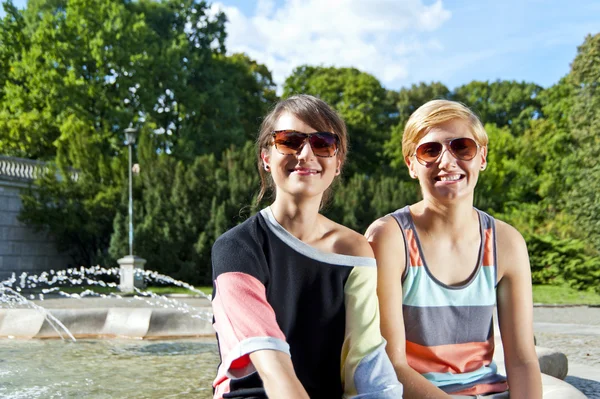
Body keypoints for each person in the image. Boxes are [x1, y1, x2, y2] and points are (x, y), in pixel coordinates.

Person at [211, 94, 403, 399]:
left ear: (337, 163)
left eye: (323, 143)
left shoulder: (355, 250)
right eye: (289, 140)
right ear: (266, 156)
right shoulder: (236, 248)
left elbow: (366, 362)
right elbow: (274, 370)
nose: (305, 153)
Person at [366, 99, 543, 398]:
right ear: (411, 165)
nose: (447, 161)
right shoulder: (388, 238)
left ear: (482, 158)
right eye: (430, 150)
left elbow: (523, 360)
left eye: (462, 147)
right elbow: (391, 365)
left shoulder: (508, 243)